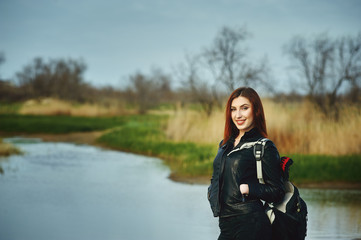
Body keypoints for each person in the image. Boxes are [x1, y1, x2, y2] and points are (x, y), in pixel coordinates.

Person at [207, 87, 285, 240]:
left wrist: (250, 188)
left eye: (244, 108)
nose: (238, 115)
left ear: (255, 111)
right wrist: (211, 192)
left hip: (251, 224)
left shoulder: (264, 146)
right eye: (233, 109)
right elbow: (217, 176)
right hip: (226, 224)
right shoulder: (224, 144)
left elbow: (277, 191)